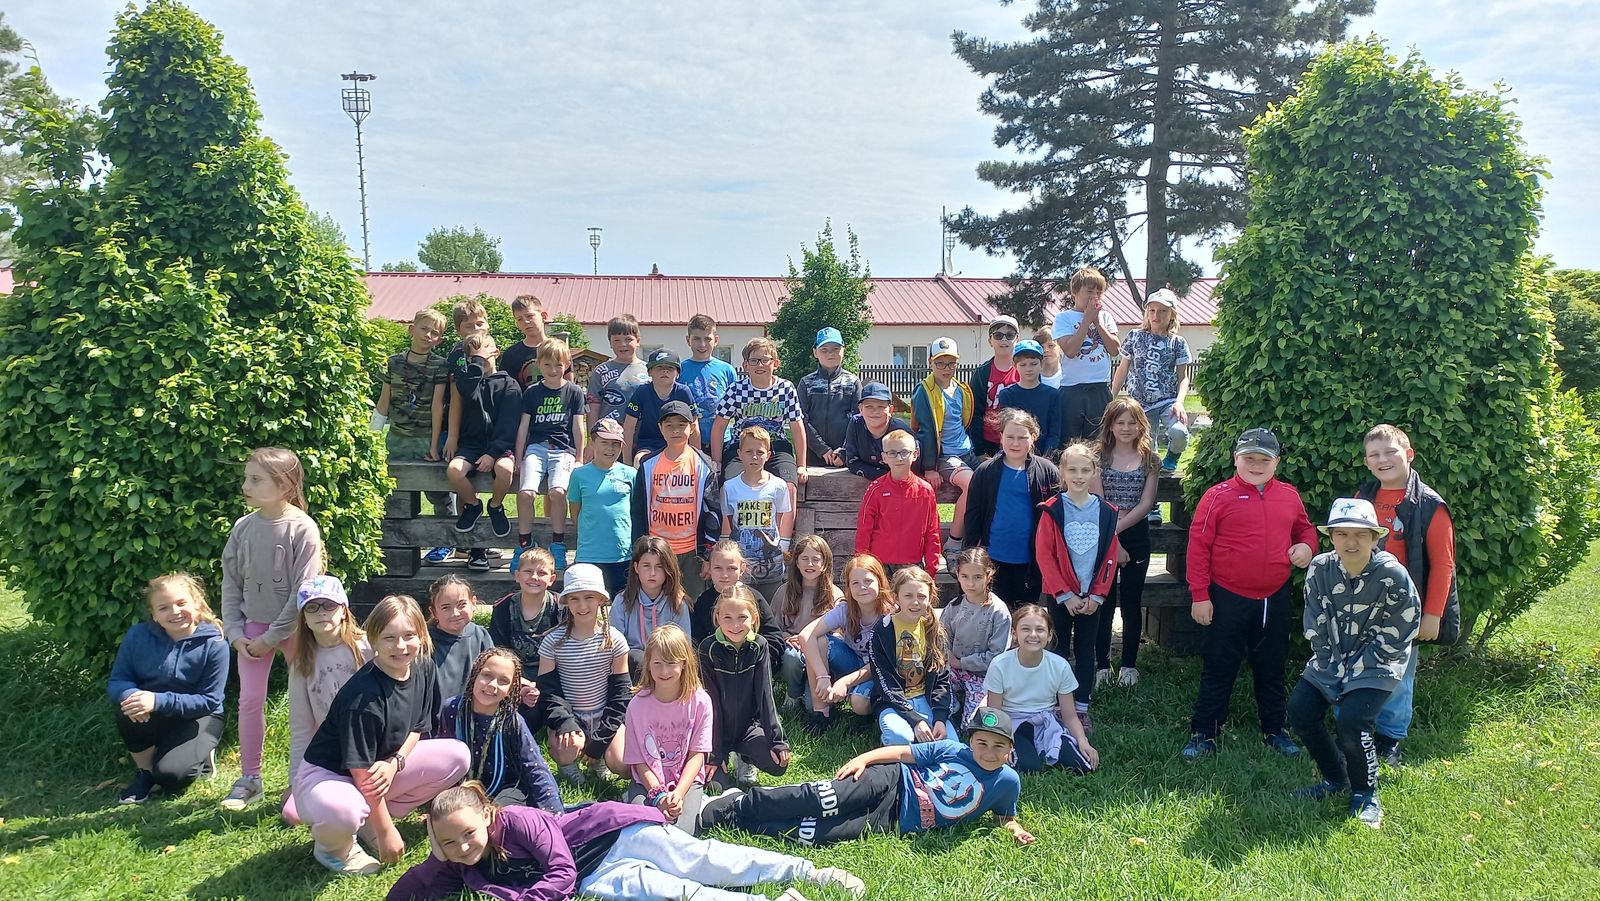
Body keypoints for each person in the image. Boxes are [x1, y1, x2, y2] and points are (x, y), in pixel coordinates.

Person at [386, 787, 866, 901]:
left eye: (468, 834)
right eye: (449, 842)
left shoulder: (518, 821)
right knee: (675, 894)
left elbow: (560, 871)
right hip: (597, 875)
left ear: (488, 815)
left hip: (615, 834)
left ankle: (807, 872)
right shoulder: (460, 859)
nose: (462, 846)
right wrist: (435, 854)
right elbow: (415, 887)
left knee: (703, 859)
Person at [294, 594, 471, 876]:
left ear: (422, 635)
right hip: (329, 776)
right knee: (344, 811)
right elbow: (362, 774)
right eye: (389, 638)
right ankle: (334, 848)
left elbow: (419, 726)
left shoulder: (423, 666)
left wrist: (395, 761)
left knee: (458, 755)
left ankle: (368, 819)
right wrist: (386, 831)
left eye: (409, 635)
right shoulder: (362, 698)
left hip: (380, 765)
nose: (400, 646)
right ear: (373, 641)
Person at [699, 705, 1031, 846]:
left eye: (997, 746)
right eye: (982, 742)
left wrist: (1015, 829)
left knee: (816, 833)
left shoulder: (1007, 782)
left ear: (1009, 751)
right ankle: (736, 804)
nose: (988, 751)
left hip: (895, 819)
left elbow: (1005, 816)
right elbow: (902, 754)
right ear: (971, 740)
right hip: (892, 780)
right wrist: (864, 759)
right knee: (823, 800)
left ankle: (741, 820)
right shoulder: (952, 750)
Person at [1182, 427, 1317, 759]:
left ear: (1277, 462)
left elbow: (1305, 528)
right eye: (1249, 458)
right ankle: (1205, 732)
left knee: (1272, 665)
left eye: (1264, 460)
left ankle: (1275, 730)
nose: (1256, 465)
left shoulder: (1289, 495)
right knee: (1220, 665)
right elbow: (1198, 546)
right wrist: (1200, 595)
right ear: (1236, 459)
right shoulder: (1217, 496)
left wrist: (1306, 546)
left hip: (1274, 597)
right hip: (1227, 596)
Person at [1288, 498, 1420, 830]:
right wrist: (1331, 665)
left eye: (1361, 534)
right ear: (1331, 537)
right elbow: (1314, 620)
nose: (1351, 542)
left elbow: (1404, 625)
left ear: (1375, 538)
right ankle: (1336, 778)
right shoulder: (1320, 568)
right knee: (1301, 712)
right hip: (1330, 659)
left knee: (1352, 721)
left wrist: (1358, 671)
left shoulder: (1392, 574)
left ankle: (1366, 795)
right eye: (1342, 534)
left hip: (1378, 664)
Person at [220, 446, 324, 811]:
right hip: (251, 633)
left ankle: (308, 777)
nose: (245, 486)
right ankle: (250, 778)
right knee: (249, 701)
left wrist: (271, 637)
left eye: (255, 479)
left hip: (294, 631)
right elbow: (231, 583)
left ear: (284, 485)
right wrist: (236, 632)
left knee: (306, 702)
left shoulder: (303, 528)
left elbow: (303, 591)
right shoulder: (243, 528)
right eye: (246, 478)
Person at [1354, 423, 1460, 766]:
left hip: (1404, 609)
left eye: (1391, 452)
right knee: (1357, 667)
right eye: (1374, 455)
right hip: (1361, 603)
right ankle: (1356, 728)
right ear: (1367, 462)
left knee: (1397, 677)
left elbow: (1443, 565)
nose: (1383, 460)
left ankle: (1389, 739)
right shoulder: (1361, 498)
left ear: (1409, 455)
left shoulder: (1429, 505)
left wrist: (1432, 615)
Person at [109, 573, 229, 804]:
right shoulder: (137, 636)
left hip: (200, 716)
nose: (175, 612)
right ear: (154, 614)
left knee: (171, 778)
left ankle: (201, 756)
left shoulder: (215, 643)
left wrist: (156, 701)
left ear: (196, 603)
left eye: (181, 603)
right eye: (164, 608)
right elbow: (119, 680)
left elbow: (209, 700)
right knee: (128, 705)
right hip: (153, 712)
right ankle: (145, 772)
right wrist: (132, 695)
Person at [1034, 442, 1120, 732]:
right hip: (1061, 596)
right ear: (1062, 472)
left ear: (1095, 471)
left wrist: (1097, 595)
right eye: (1072, 470)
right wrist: (1065, 594)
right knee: (1058, 649)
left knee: (1086, 650)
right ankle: (1058, 705)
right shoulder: (1053, 510)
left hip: (1091, 597)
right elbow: (1044, 555)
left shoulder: (1106, 512)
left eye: (1085, 470)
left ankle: (1081, 706)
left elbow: (1110, 558)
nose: (1079, 476)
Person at [532, 563, 631, 785]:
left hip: (603, 714)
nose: (582, 605)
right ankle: (568, 766)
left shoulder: (615, 640)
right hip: (571, 715)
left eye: (589, 598)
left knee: (623, 765)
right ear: (566, 602)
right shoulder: (553, 642)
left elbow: (621, 694)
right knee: (566, 746)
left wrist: (602, 736)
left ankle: (599, 758)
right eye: (575, 599)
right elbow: (548, 691)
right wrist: (565, 722)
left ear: (601, 600)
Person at [283, 575, 370, 824]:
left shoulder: (366, 647)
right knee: (293, 813)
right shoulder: (302, 663)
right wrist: (295, 780)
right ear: (304, 617)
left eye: (329, 605)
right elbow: (300, 727)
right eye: (312, 607)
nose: (321, 612)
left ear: (343, 610)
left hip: (371, 745)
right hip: (332, 751)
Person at [439, 647, 563, 812]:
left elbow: (535, 767)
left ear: (511, 689)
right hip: (461, 786)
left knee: (500, 816)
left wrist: (555, 814)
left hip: (504, 788)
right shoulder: (452, 709)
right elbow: (441, 759)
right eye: (487, 675)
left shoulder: (513, 721)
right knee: (452, 813)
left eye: (503, 681)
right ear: (475, 675)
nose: (492, 685)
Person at [1091, 397, 1161, 688]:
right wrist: (1112, 537)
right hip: (1103, 533)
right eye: (1120, 422)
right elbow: (1098, 500)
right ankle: (1102, 664)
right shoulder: (1098, 457)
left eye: (1132, 422)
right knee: (1104, 601)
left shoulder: (1150, 459)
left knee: (1132, 601)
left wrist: (1119, 529)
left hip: (1135, 534)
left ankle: (1129, 665)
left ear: (1141, 425)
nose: (1126, 428)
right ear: (1110, 425)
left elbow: (1146, 503)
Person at [961, 408, 1061, 607]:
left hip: (1031, 560)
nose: (1015, 443)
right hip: (995, 558)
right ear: (1000, 437)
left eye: (1022, 438)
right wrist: (972, 553)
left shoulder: (1047, 472)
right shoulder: (985, 471)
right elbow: (973, 516)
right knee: (997, 613)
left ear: (1033, 438)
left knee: (1025, 613)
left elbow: (1057, 516)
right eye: (1010, 437)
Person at [982, 604, 1097, 773]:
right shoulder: (1000, 664)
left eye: (1040, 630)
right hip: (1011, 724)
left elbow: (1070, 716)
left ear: (1049, 635)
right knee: (1029, 767)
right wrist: (1001, 741)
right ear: (1014, 634)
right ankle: (1029, 749)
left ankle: (1044, 744)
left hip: (1045, 722)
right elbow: (995, 713)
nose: (1033, 635)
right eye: (1025, 629)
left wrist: (1083, 741)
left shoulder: (1060, 666)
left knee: (1082, 766)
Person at [372, 309, 453, 542]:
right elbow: (383, 402)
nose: (428, 335)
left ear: (439, 340)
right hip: (397, 437)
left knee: (438, 492)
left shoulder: (440, 365)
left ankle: (447, 541)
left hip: (426, 437)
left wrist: (434, 444)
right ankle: (396, 544)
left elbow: (438, 405)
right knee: (396, 494)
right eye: (424, 329)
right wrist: (372, 438)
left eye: (434, 333)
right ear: (411, 329)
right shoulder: (393, 362)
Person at [623, 625, 713, 834]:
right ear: (648, 664)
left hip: (686, 782)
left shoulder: (700, 702)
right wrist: (659, 796)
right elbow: (639, 761)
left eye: (671, 663)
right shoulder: (636, 706)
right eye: (658, 663)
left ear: (684, 663)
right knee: (642, 831)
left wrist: (678, 794)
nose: (664, 671)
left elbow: (697, 755)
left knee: (682, 833)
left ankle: (699, 803)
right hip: (647, 783)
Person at [699, 586, 791, 791]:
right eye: (727, 618)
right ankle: (724, 756)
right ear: (717, 617)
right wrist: (715, 753)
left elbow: (766, 696)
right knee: (715, 786)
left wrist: (778, 741)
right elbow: (710, 705)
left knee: (778, 763)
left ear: (754, 617)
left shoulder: (760, 646)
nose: (735, 625)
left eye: (742, 617)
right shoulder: (708, 648)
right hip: (717, 732)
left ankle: (745, 756)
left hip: (747, 729)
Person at [447, 332, 522, 568]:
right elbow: (467, 390)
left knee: (505, 469)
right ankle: (473, 505)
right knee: (454, 470)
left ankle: (495, 505)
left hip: (499, 446)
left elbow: (510, 424)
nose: (480, 353)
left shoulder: (509, 384)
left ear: (496, 352)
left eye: (485, 348)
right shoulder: (469, 382)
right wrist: (477, 362)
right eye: (475, 351)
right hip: (472, 444)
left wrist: (493, 453)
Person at [634, 400, 721, 600]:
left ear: (692, 427)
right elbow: (637, 511)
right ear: (660, 428)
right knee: (658, 602)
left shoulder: (704, 466)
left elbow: (713, 513)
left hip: (692, 553)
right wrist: (639, 551)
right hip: (656, 550)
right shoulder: (648, 465)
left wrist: (709, 556)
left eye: (682, 425)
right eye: (669, 425)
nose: (675, 430)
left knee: (692, 604)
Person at [798, 553, 895, 732]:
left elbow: (879, 664)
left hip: (877, 672)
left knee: (859, 703)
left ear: (880, 581)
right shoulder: (845, 609)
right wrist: (822, 676)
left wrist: (844, 682)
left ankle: (870, 716)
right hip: (851, 661)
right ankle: (822, 714)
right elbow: (805, 635)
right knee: (819, 641)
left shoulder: (891, 616)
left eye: (868, 581)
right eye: (855, 583)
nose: (862, 587)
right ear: (848, 587)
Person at [514, 337, 586, 568]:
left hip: (563, 449)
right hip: (536, 448)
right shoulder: (532, 392)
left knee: (557, 492)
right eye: (547, 365)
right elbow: (523, 427)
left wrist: (580, 457)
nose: (553, 370)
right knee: (526, 494)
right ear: (539, 364)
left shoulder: (574, 392)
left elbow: (578, 426)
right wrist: (519, 457)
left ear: (567, 365)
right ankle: (524, 543)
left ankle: (558, 543)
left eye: (558, 365)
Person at [869, 567, 956, 746]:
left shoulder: (934, 631)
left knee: (950, 745)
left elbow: (942, 681)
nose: (915, 602)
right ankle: (892, 738)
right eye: (908, 596)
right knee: (901, 738)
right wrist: (916, 720)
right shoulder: (882, 631)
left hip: (926, 698)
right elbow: (885, 683)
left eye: (921, 596)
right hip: (893, 702)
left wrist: (940, 718)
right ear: (896, 597)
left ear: (930, 598)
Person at [711, 336, 808, 488]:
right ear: (745, 365)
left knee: (789, 485)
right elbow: (719, 426)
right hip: (742, 447)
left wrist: (801, 465)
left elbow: (797, 427)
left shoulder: (786, 388)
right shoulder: (736, 389)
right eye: (754, 361)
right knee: (730, 485)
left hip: (776, 446)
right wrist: (716, 461)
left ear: (775, 363)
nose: (759, 365)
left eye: (765, 360)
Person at [1112, 288, 1191, 472]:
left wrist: (1179, 402)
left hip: (1167, 402)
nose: (1157, 315)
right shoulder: (1134, 336)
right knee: (1147, 453)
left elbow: (1183, 377)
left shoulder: (1177, 342)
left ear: (1172, 314)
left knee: (1179, 431)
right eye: (1152, 310)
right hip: (1140, 405)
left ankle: (1172, 457)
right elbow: (1122, 369)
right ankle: (1152, 483)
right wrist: (1111, 397)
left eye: (1163, 311)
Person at [909, 337, 974, 544]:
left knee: (994, 480)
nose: (946, 368)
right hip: (946, 455)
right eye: (940, 363)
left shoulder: (961, 390)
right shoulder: (924, 391)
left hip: (967, 452)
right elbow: (926, 430)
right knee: (972, 484)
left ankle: (978, 538)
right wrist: (930, 467)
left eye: (951, 363)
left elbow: (965, 423)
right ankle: (954, 542)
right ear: (930, 362)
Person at [770, 535, 844, 713]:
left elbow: (841, 634)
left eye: (815, 559)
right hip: (793, 649)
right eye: (804, 558)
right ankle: (793, 694)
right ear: (796, 562)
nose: (809, 564)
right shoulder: (784, 591)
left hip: (819, 653)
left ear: (824, 563)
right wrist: (787, 637)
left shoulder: (835, 595)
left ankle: (810, 690)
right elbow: (773, 627)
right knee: (791, 658)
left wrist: (816, 641)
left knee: (812, 708)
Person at [688, 539, 785, 671]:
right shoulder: (703, 602)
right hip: (715, 673)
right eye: (718, 568)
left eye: (731, 568)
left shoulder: (754, 598)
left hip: (751, 671)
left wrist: (752, 662)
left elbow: (775, 639)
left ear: (742, 568)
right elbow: (696, 642)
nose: (724, 575)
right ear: (709, 568)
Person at [721, 426, 794, 600]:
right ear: (740, 454)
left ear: (768, 455)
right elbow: (731, 523)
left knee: (770, 608)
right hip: (740, 567)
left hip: (771, 566)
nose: (754, 457)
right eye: (749, 452)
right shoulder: (730, 488)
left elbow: (778, 521)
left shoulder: (778, 486)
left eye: (760, 452)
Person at [488, 547, 562, 720]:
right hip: (515, 676)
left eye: (542, 573)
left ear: (552, 579)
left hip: (553, 676)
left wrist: (542, 685)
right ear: (517, 575)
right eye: (528, 571)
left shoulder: (560, 607)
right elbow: (499, 652)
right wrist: (520, 682)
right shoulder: (503, 608)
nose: (534, 577)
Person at [941, 548, 1012, 726]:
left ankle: (969, 711)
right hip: (952, 671)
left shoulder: (998, 612)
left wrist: (961, 663)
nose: (970, 583)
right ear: (957, 574)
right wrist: (950, 660)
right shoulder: (953, 607)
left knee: (974, 725)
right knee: (938, 702)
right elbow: (941, 640)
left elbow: (997, 656)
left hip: (984, 676)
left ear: (989, 575)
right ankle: (953, 706)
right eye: (965, 576)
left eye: (978, 577)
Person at [856, 429, 942, 575]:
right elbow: (864, 527)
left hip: (912, 565)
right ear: (884, 457)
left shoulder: (925, 491)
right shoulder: (876, 489)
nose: (899, 458)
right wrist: (862, 563)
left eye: (904, 452)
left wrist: (931, 571)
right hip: (879, 564)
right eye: (892, 453)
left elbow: (932, 532)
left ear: (915, 455)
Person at [568, 417, 638, 596]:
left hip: (622, 554)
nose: (610, 449)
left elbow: (635, 511)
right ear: (592, 443)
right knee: (588, 603)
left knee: (622, 604)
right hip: (589, 554)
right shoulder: (579, 475)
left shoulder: (631, 474)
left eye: (615, 444)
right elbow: (575, 511)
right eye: (604, 443)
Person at [1052, 267, 1122, 444]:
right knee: (1070, 441)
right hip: (1072, 389)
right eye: (1090, 292)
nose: (1094, 297)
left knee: (1099, 441)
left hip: (1099, 388)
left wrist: (1097, 323)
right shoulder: (1064, 318)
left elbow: (1115, 350)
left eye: (1099, 293)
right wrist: (1086, 321)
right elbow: (1070, 350)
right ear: (1074, 292)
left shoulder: (1105, 317)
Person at [611, 535, 694, 680]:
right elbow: (615, 647)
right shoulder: (622, 601)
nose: (653, 573)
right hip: (632, 670)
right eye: (646, 566)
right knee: (635, 657)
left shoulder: (678, 603)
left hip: (667, 668)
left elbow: (683, 647)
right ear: (636, 568)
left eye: (659, 566)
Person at [798, 326, 862, 467]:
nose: (830, 354)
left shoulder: (853, 382)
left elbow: (859, 419)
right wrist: (822, 449)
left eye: (835, 349)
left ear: (843, 350)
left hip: (845, 457)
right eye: (824, 350)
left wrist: (844, 451)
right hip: (812, 455)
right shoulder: (806, 383)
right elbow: (801, 419)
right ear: (815, 352)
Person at [624, 349, 700, 464]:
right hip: (649, 444)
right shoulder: (642, 392)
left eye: (670, 368)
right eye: (659, 367)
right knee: (640, 460)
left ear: (678, 373)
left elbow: (694, 426)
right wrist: (627, 463)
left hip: (679, 442)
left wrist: (698, 458)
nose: (665, 371)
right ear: (649, 372)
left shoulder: (684, 392)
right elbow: (628, 428)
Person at [429, 574, 494, 705]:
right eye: (446, 607)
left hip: (471, 711)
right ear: (434, 612)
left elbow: (494, 673)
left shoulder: (481, 636)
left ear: (473, 603)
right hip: (435, 714)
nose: (455, 613)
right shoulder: (425, 641)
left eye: (461, 605)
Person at [681, 313, 739, 454]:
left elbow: (736, 406)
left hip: (724, 439)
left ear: (716, 340)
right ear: (688, 340)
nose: (702, 345)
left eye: (707, 339)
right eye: (696, 339)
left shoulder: (727, 370)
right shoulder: (680, 369)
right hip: (689, 440)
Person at [968, 314, 1022, 458]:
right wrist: (979, 451)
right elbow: (975, 413)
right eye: (998, 335)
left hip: (1018, 442)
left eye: (1010, 335)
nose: (1004, 340)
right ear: (990, 341)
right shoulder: (982, 373)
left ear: (1017, 339)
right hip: (989, 444)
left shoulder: (1025, 370)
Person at [996, 339, 1061, 457]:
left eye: (1033, 364)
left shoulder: (1053, 395)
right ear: (1015, 366)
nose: (1029, 369)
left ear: (1041, 364)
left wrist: (1046, 458)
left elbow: (1054, 433)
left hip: (1044, 457)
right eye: (1023, 365)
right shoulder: (1007, 395)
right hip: (1015, 454)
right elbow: (1006, 431)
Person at [587, 313, 650, 429]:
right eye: (617, 340)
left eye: (628, 339)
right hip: (609, 434)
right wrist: (592, 435)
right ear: (610, 343)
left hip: (643, 434)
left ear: (638, 341)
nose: (623, 344)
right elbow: (593, 408)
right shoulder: (601, 372)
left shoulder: (649, 370)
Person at [841, 382, 913, 480]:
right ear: (861, 409)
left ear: (890, 410)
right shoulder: (856, 423)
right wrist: (881, 479)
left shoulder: (901, 432)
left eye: (881, 407)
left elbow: (910, 467)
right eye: (869, 406)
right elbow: (852, 462)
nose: (875, 411)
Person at [499, 294, 549, 388]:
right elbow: (505, 389)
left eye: (529, 316)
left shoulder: (558, 349)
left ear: (543, 316)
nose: (525, 322)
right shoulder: (510, 354)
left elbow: (568, 388)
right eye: (520, 319)